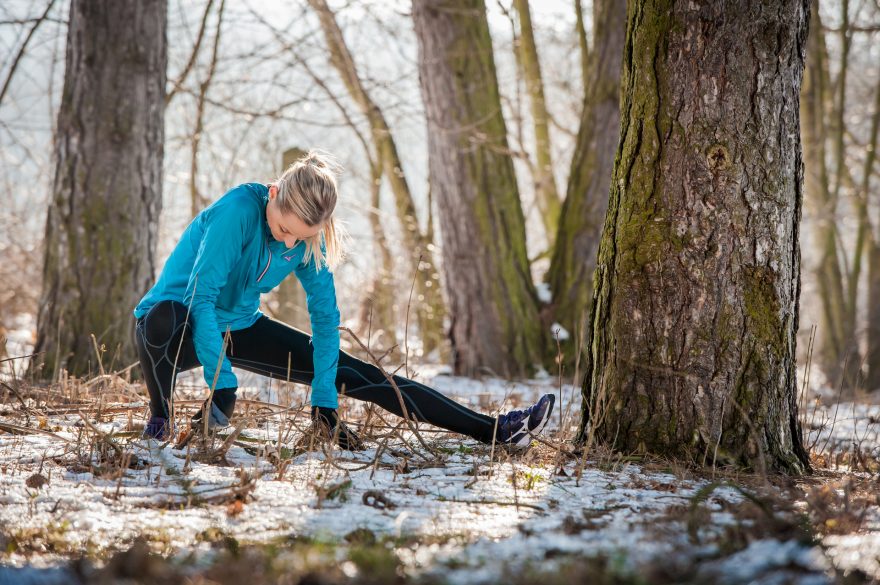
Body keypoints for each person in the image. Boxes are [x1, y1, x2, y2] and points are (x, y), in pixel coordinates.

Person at [132, 150, 554, 450]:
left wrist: (324, 400)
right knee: (161, 319)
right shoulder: (238, 211)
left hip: (238, 324)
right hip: (177, 327)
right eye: (285, 230)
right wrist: (222, 387)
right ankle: (160, 416)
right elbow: (200, 297)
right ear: (275, 194)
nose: (291, 241)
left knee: (358, 374)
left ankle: (495, 430)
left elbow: (324, 318)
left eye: (303, 235)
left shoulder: (308, 241)